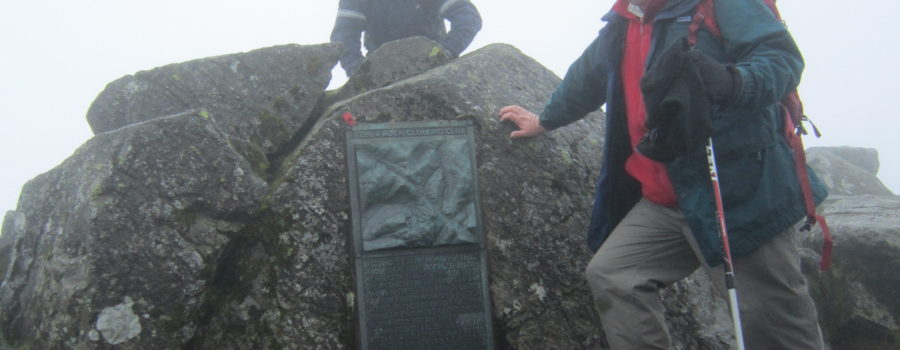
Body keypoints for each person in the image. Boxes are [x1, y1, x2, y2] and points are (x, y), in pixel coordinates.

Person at [498, 0, 827, 348]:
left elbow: (781, 58)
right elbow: (589, 75)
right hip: (667, 196)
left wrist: (735, 81)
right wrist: (545, 120)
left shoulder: (720, 4)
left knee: (771, 326)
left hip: (737, 193)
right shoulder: (628, 17)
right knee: (614, 275)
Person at [329, 0, 482, 77]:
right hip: (378, 72)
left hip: (432, 69)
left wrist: (446, 51)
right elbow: (345, 33)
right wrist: (357, 70)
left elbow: (468, 17)